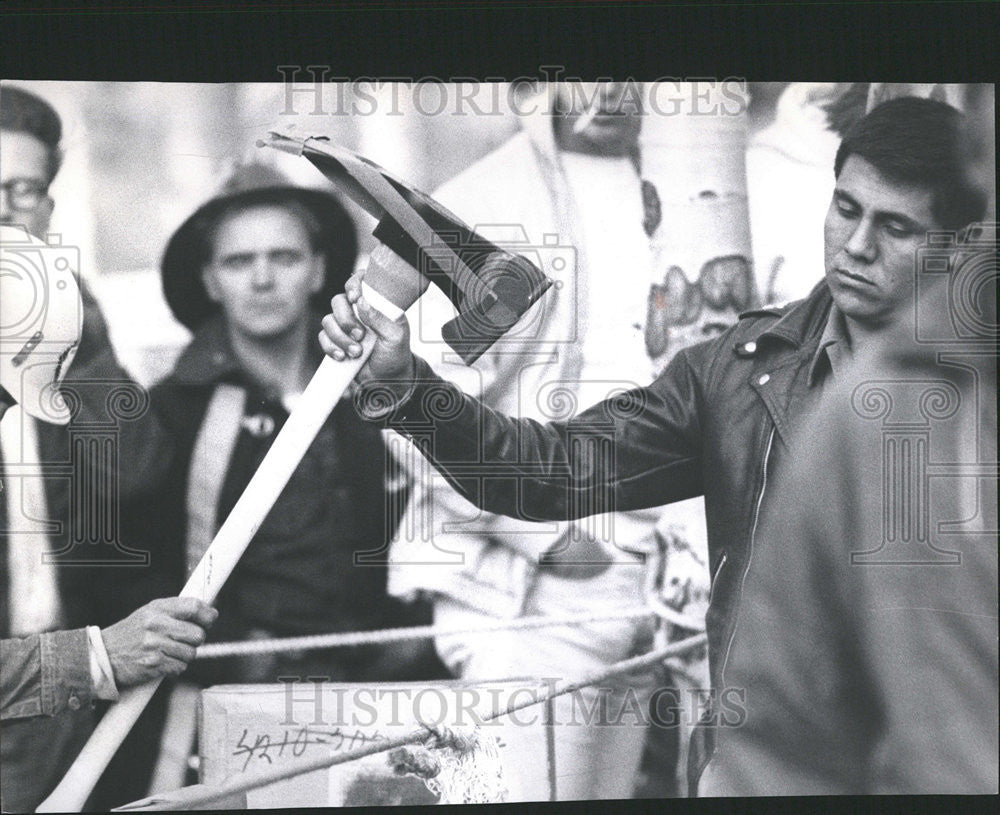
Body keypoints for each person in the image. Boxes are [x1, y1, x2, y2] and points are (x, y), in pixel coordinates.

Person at [319, 96, 989, 795]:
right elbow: (549, 471)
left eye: (897, 227)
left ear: (958, 245)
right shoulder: (737, 368)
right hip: (765, 762)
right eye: (847, 209)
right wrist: (411, 387)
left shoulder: (982, 394)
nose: (856, 246)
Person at [385, 81, 675, 800]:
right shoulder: (483, 201)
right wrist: (537, 537)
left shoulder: (694, 187)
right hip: (527, 596)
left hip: (656, 578)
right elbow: (407, 403)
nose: (611, 89)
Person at [119, 163, 444, 792]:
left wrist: (410, 642)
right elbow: (126, 567)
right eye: (239, 262)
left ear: (320, 271)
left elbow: (436, 518)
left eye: (284, 257)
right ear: (210, 280)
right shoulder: (170, 412)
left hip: (380, 703)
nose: (263, 279)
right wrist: (247, 647)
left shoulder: (377, 393)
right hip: (226, 707)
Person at [1, 86, 215, 813]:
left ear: (47, 212)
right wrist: (94, 655)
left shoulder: (54, 335)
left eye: (22, 191)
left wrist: (77, 325)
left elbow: (136, 472)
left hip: (58, 708)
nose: (2, 210)